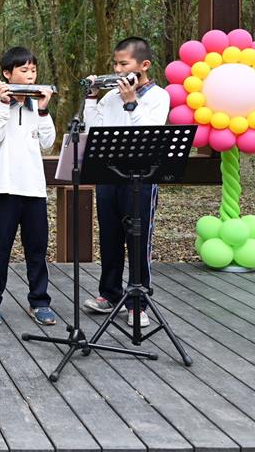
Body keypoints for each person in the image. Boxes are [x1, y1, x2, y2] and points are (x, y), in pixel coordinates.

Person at [82, 37, 170, 328]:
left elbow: (149, 135)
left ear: (143, 65)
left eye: (124, 64)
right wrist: (91, 98)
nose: (117, 70)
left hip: (141, 178)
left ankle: (137, 302)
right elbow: (93, 131)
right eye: (115, 64)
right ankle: (109, 294)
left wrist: (131, 103)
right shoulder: (110, 97)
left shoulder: (158, 97)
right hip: (108, 174)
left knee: (138, 238)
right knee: (110, 236)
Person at [0, 47, 57, 327]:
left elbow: (48, 142)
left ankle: (39, 301)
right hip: (4, 187)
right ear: (7, 73)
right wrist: (4, 103)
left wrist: (44, 109)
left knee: (37, 249)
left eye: (33, 70)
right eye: (23, 70)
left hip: (34, 188)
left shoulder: (37, 107)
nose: (30, 75)